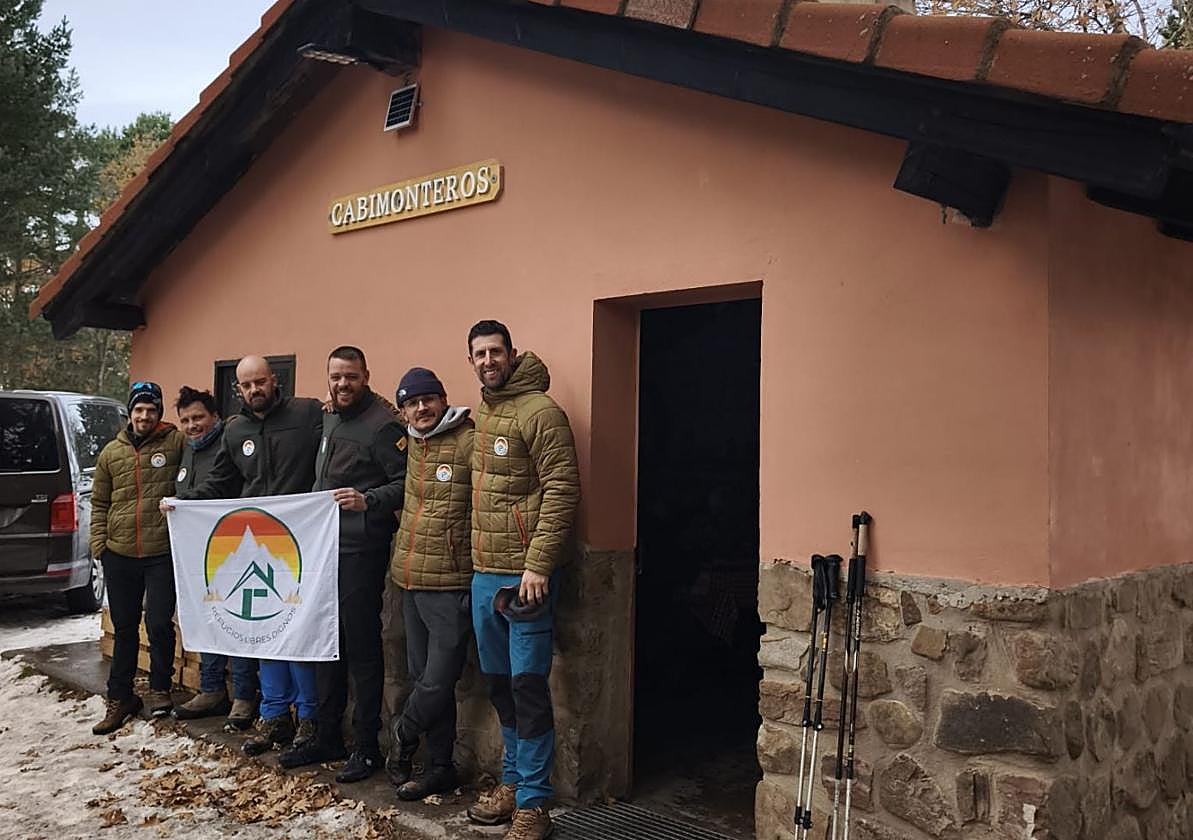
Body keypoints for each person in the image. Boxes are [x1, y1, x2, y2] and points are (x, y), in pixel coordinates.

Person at [169, 356, 323, 757]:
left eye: (261, 382)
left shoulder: (308, 413)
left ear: (275, 381)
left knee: (299, 634)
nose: (255, 389)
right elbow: (222, 481)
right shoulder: (235, 430)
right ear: (238, 390)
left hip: (304, 545)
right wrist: (184, 506)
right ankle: (274, 716)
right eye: (247, 385)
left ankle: (309, 719)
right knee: (266, 631)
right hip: (257, 543)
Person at [464, 321, 579, 840]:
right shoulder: (484, 412)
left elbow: (562, 489)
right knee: (500, 688)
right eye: (479, 354)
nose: (488, 360)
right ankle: (512, 783)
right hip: (484, 576)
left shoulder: (541, 411)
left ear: (512, 354)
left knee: (528, 688)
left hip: (524, 579)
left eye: (496, 352)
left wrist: (538, 564)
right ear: (472, 361)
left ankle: (534, 804)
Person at [279, 347, 407, 783]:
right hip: (321, 552)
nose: (342, 384)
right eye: (335, 377)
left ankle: (368, 747)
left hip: (360, 554)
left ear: (366, 376)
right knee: (325, 646)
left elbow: (405, 483)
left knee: (362, 650)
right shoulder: (329, 417)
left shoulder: (383, 426)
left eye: (350, 377)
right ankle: (328, 735)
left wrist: (368, 500)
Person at [385, 367, 475, 801]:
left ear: (442, 401)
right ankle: (439, 766)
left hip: (452, 581)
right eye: (412, 402)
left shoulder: (467, 441)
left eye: (428, 400)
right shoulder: (412, 443)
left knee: (440, 676)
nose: (421, 408)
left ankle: (404, 731)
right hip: (410, 577)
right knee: (423, 674)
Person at [91, 381, 185, 734]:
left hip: (161, 552)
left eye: (151, 410)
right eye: (139, 410)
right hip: (120, 554)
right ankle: (120, 697)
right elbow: (100, 503)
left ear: (159, 413)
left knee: (159, 623)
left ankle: (161, 688)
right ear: (130, 414)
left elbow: (207, 436)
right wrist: (99, 544)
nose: (145, 416)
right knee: (125, 628)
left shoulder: (176, 442)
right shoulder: (110, 453)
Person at [169, 386, 260, 730]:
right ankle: (210, 689)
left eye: (199, 418)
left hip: (235, 549)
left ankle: (243, 695)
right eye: (186, 420)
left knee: (235, 621)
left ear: (215, 418)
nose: (193, 425)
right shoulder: (187, 450)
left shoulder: (229, 442)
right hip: (199, 554)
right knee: (208, 618)